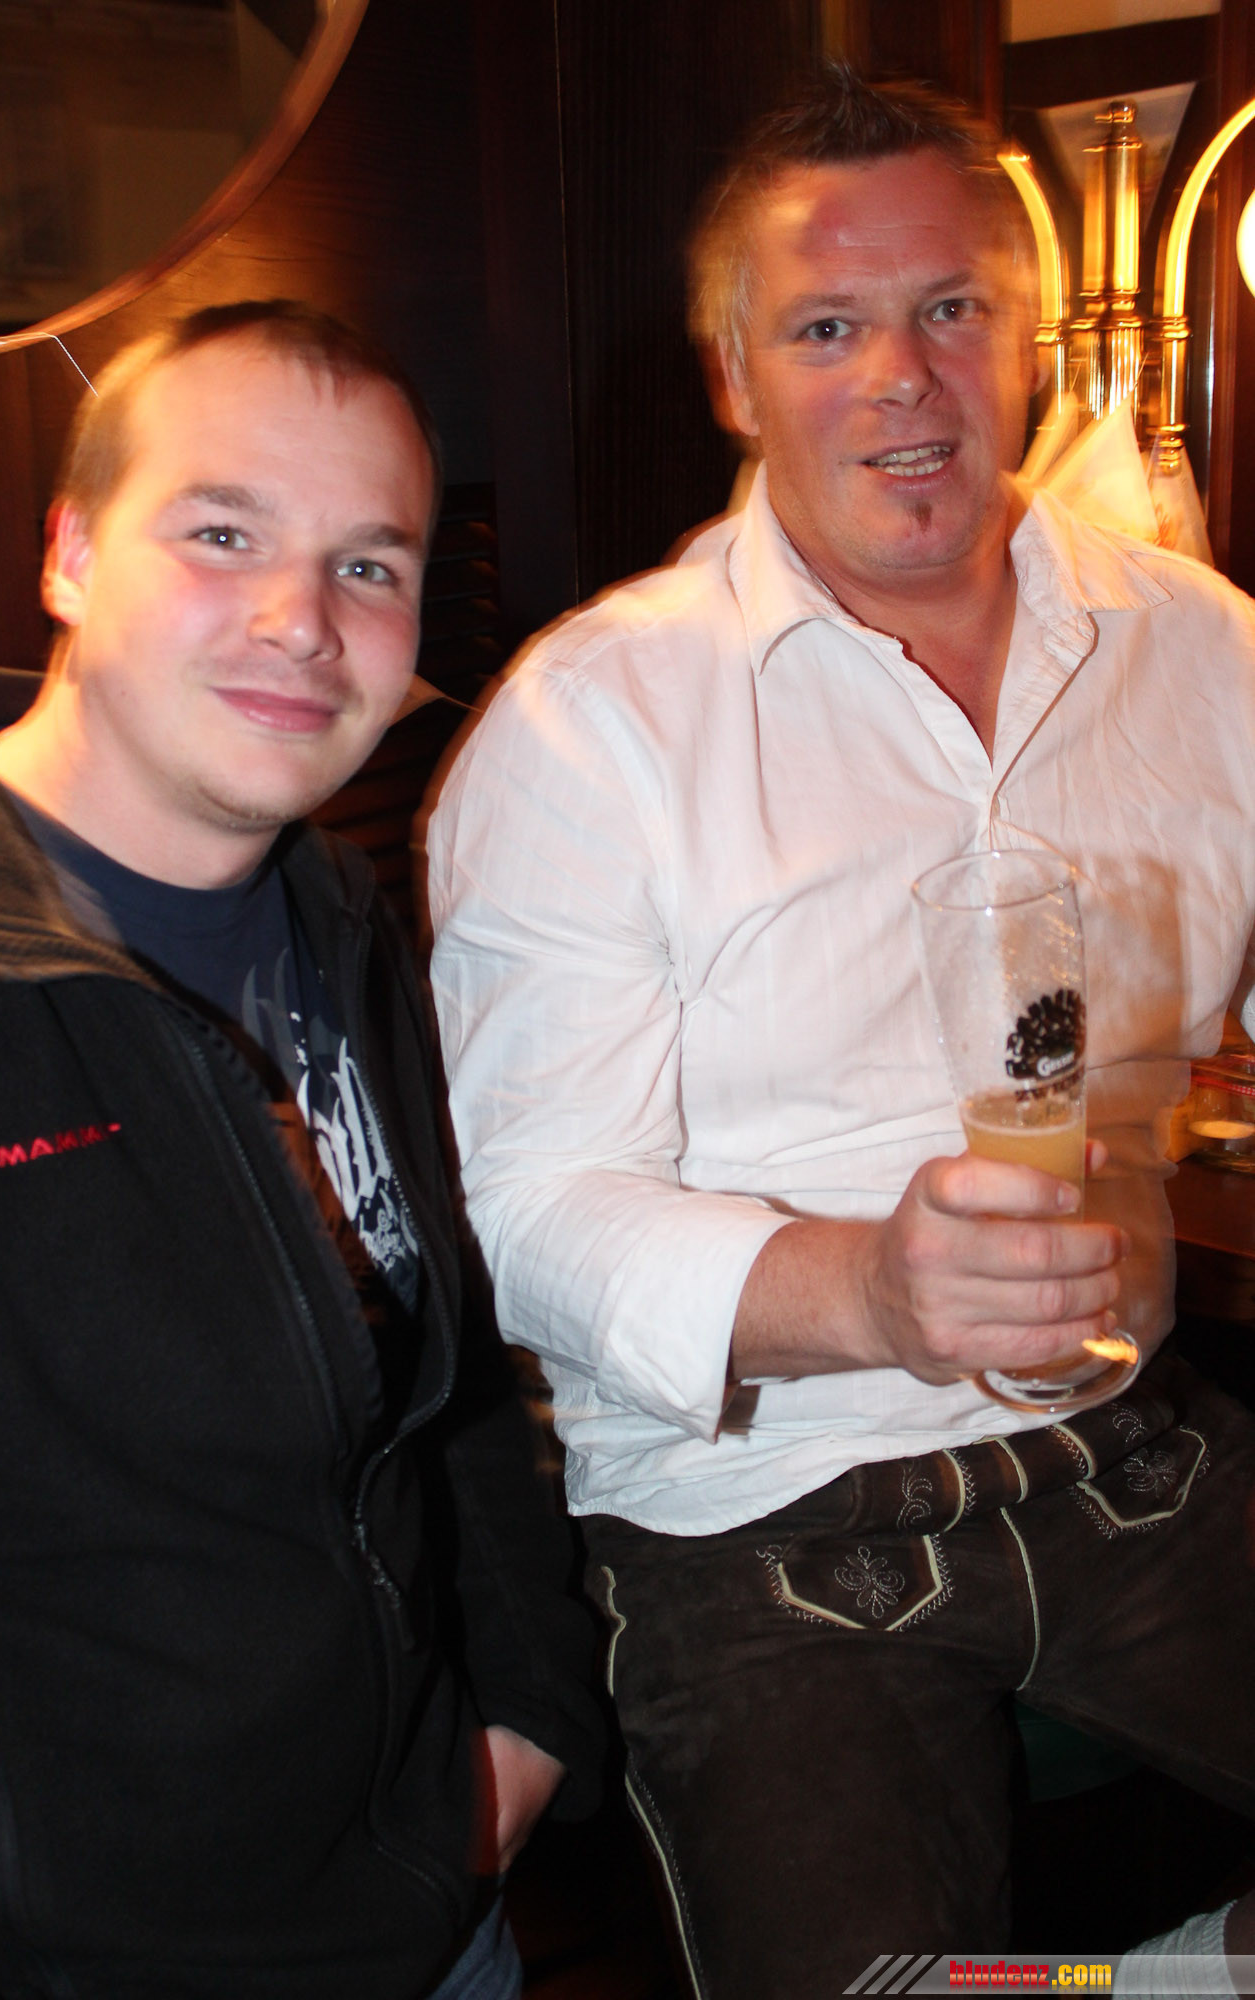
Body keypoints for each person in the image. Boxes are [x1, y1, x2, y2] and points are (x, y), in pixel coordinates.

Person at [426, 73, 1255, 1995]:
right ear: (733, 375)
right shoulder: (589, 724)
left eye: (951, 307)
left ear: (1027, 334)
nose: (902, 377)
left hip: (1131, 1448)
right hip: (760, 1520)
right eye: (825, 327)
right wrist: (871, 1292)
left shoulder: (1209, 651)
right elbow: (523, 1212)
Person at [0, 301, 600, 2000]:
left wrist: (526, 1721)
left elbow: (440, 1382)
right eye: (222, 535)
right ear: (71, 554)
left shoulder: (331, 905)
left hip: (429, 1904)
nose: (302, 621)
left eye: (367, 565)